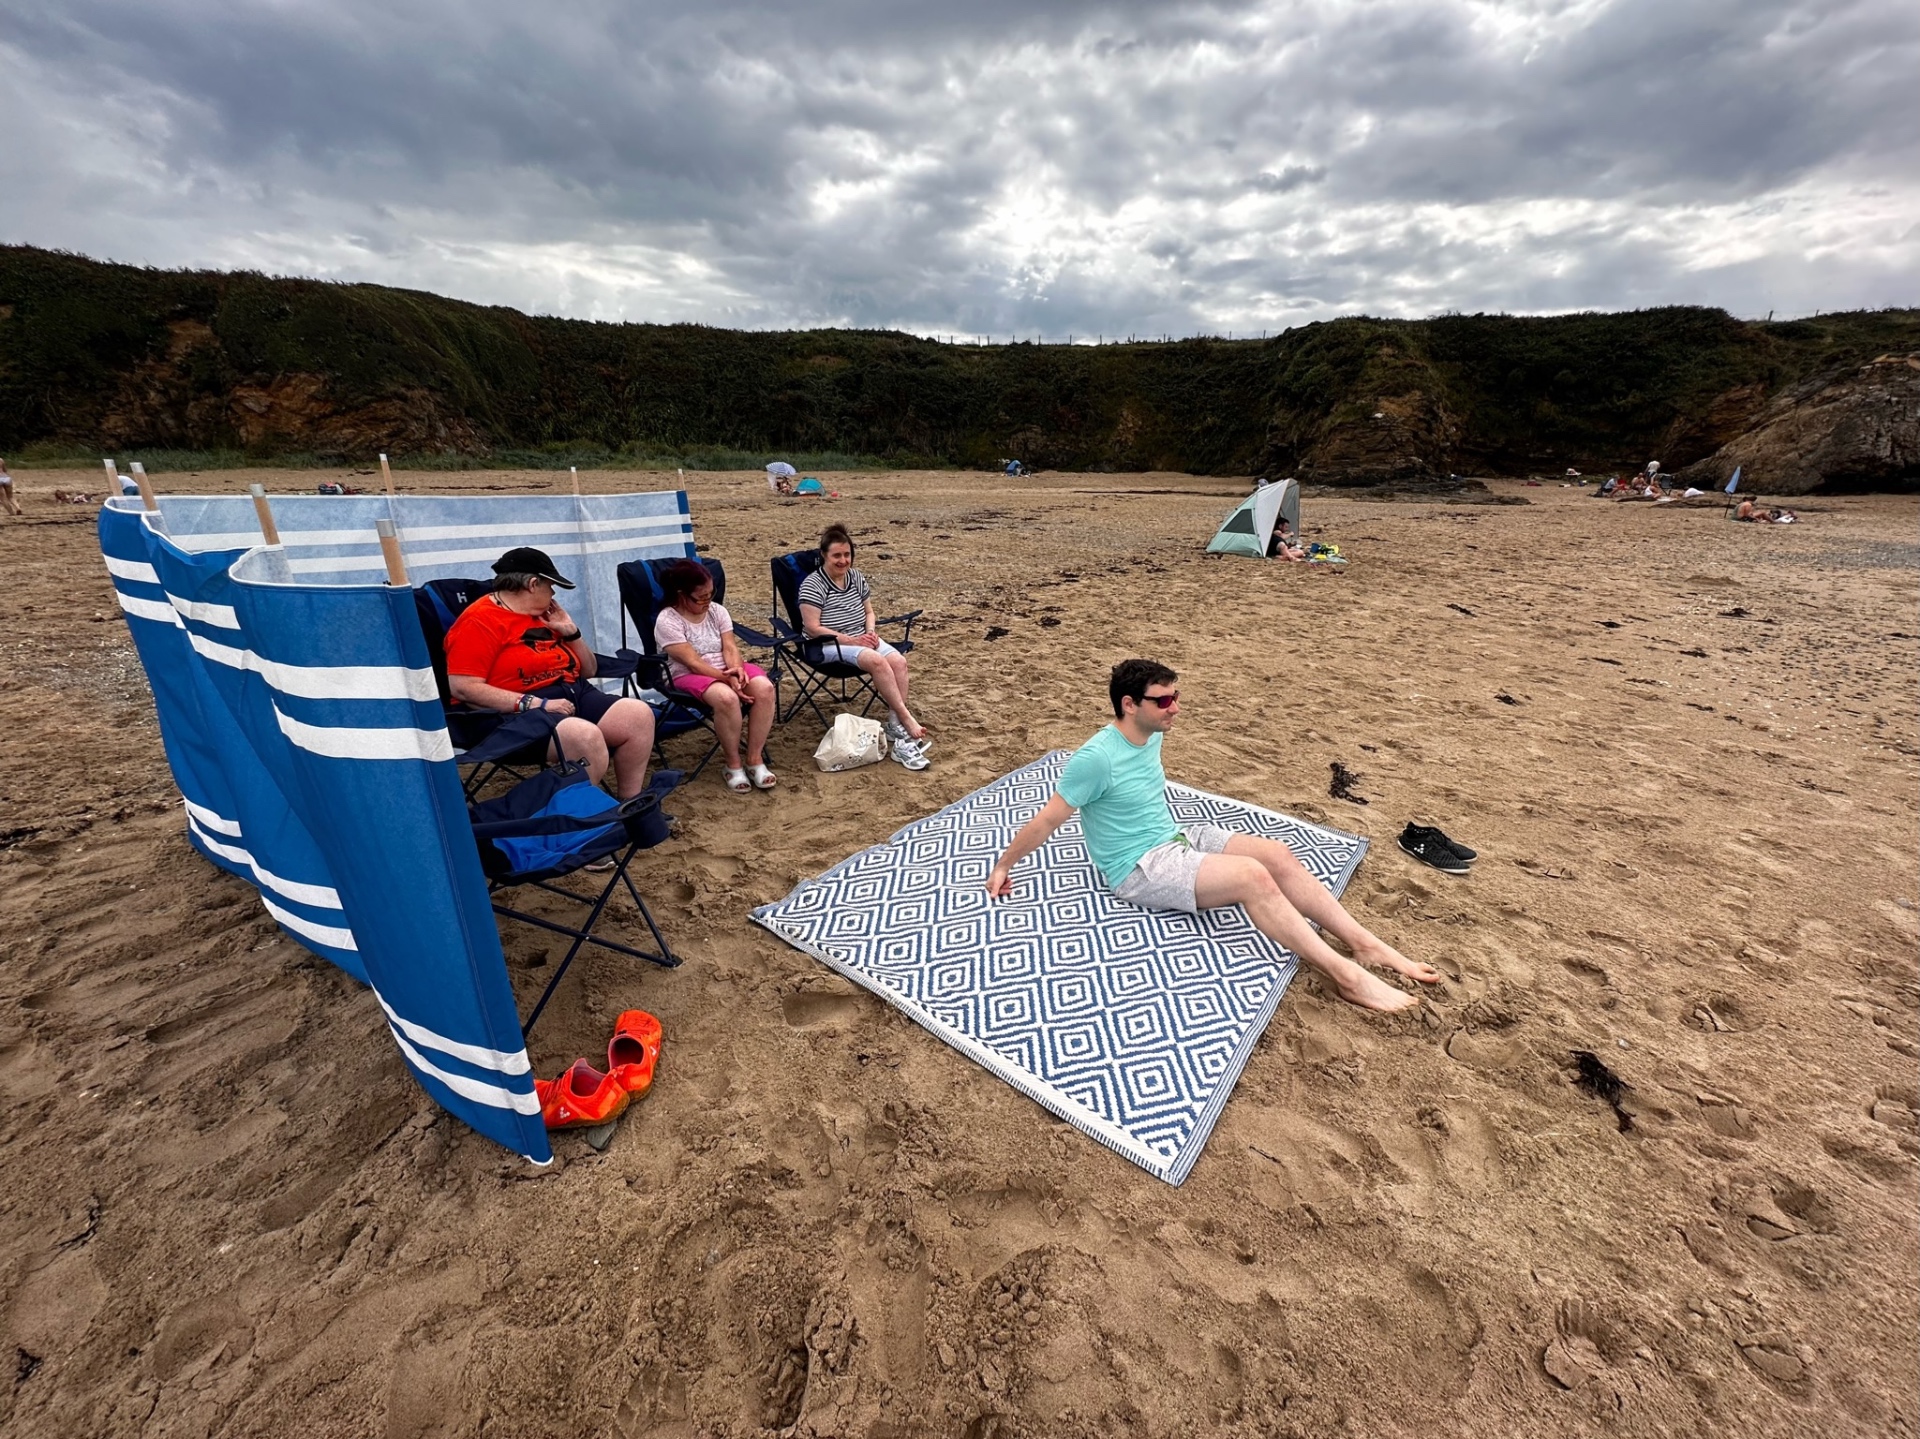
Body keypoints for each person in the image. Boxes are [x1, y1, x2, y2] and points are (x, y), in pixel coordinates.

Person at [985, 660, 1441, 1014]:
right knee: (1252, 877)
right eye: (1163, 701)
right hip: (1138, 868)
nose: (1175, 708)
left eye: (1176, 697)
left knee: (1277, 854)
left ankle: (1364, 943)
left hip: (1174, 835)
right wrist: (1004, 865)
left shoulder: (1151, 732)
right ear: (1129, 704)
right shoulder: (1095, 759)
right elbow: (1048, 819)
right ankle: (1345, 976)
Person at [444, 547, 658, 799]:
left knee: (638, 715)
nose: (554, 593)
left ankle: (630, 803)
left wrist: (571, 632)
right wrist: (537, 703)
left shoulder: (543, 616)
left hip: (572, 693)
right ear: (533, 584)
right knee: (585, 738)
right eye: (551, 586)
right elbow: (463, 687)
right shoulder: (479, 621)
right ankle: (580, 818)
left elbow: (589, 670)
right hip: (515, 715)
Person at [798, 522, 930, 765]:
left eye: (847, 554)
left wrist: (870, 633)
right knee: (876, 661)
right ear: (824, 556)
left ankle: (893, 724)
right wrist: (852, 640)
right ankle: (905, 717)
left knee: (898, 662)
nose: (843, 560)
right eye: (836, 555)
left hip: (861, 637)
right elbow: (812, 628)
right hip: (828, 645)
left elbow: (869, 612)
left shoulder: (856, 577)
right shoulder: (812, 585)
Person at [653, 558, 778, 793]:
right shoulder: (667, 620)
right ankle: (733, 764)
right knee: (726, 698)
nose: (708, 601)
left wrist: (736, 670)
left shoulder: (717, 611)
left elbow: (729, 646)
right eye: (701, 597)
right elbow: (692, 662)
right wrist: (726, 679)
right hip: (686, 674)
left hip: (726, 667)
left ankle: (754, 759)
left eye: (711, 594)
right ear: (681, 595)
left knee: (765, 688)